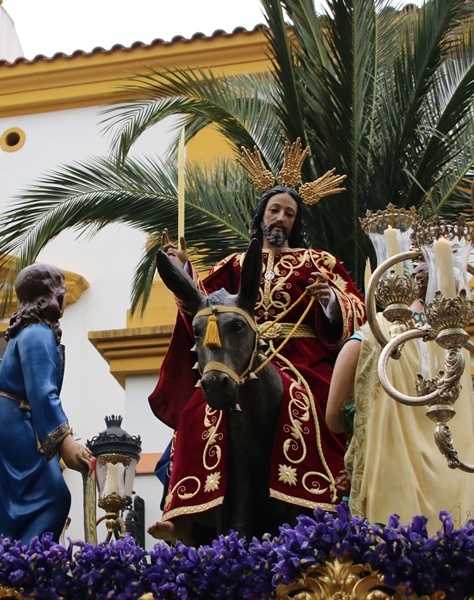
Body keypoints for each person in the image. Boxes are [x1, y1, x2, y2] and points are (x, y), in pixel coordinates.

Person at [148, 140, 366, 541]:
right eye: (274, 210)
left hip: (301, 358)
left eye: (289, 212)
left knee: (319, 406)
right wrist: (183, 272)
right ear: (262, 215)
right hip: (236, 354)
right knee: (198, 410)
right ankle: (182, 512)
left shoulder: (318, 262)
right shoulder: (233, 264)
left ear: (295, 221)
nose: (280, 218)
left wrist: (331, 301)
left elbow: (357, 310)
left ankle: (330, 497)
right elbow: (200, 306)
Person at [327, 262, 474, 528]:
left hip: (391, 484)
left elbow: (334, 415)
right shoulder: (459, 347)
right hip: (456, 492)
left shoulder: (371, 336)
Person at [0, 263, 92, 543]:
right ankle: (22, 570)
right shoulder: (37, 333)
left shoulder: (32, 332)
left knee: (24, 501)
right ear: (51, 295)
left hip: (15, 419)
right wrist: (66, 445)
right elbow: (42, 392)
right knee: (52, 496)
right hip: (14, 420)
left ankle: (9, 564)